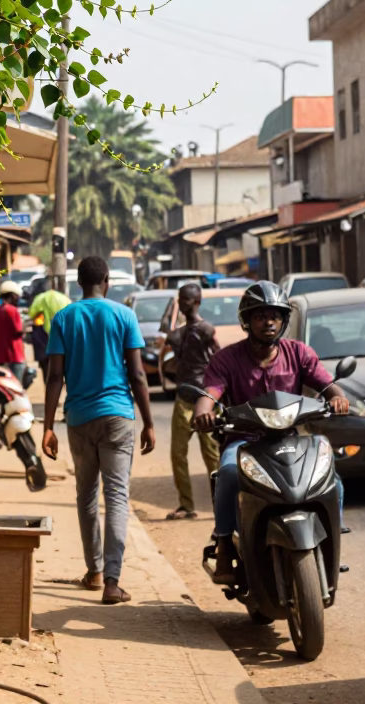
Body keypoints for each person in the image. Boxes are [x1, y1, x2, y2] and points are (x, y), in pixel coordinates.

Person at [193, 281, 350, 584]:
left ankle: (332, 543)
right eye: (261, 316)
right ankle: (224, 544)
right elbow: (209, 393)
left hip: (290, 440)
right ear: (247, 321)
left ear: (283, 321)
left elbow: (327, 384)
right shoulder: (227, 359)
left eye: (275, 316)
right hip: (244, 442)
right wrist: (203, 412)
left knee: (334, 482)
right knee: (226, 473)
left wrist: (336, 398)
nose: (269, 322)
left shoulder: (299, 353)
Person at [42, 256, 155, 605]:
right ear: (106, 280)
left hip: (78, 418)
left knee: (86, 495)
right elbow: (137, 375)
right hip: (118, 416)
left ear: (79, 283)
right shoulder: (124, 315)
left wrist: (47, 426)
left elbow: (54, 376)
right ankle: (112, 580)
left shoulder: (64, 318)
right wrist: (149, 421)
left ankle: (92, 571)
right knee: (117, 496)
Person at [164, 284, 221, 520]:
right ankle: (186, 505)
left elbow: (219, 361)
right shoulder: (179, 333)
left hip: (204, 400)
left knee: (212, 454)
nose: (182, 303)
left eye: (186, 299)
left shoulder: (206, 330)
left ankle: (221, 504)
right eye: (180, 299)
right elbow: (169, 344)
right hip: (183, 399)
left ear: (197, 302)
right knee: (178, 453)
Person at [29, 286, 72, 382]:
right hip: (62, 337)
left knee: (47, 368)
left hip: (43, 338)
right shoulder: (64, 299)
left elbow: (32, 314)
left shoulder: (39, 299)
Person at [0, 281, 26, 381]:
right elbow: (17, 330)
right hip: (14, 356)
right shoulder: (13, 310)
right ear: (12, 295)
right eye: (16, 296)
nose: (18, 298)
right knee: (16, 386)